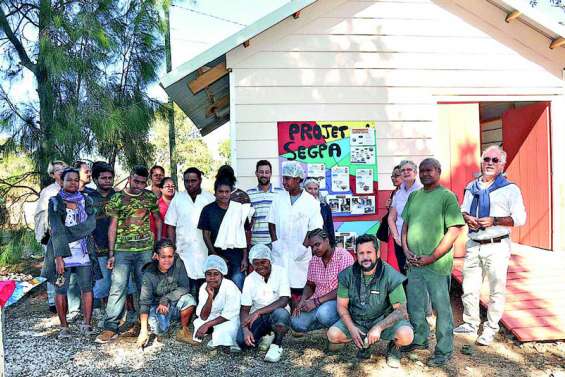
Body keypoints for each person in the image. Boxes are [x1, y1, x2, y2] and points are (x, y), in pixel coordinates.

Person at [454, 146, 526, 346]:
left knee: (496, 289)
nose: (490, 163)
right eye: (487, 159)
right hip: (474, 243)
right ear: (481, 161)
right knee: (469, 287)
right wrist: (467, 218)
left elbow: (520, 219)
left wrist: (494, 220)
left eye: (495, 160)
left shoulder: (509, 189)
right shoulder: (471, 187)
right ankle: (470, 323)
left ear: (502, 165)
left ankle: (491, 328)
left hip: (496, 245)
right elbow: (463, 210)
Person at [401, 158, 465, 367]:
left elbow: (454, 230)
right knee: (416, 305)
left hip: (436, 265)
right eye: (422, 171)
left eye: (429, 170)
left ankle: (444, 350)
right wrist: (406, 250)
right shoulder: (414, 196)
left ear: (438, 171)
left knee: (441, 309)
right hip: (414, 264)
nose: (425, 174)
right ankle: (419, 340)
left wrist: (432, 256)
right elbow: (405, 226)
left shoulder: (447, 197)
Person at [96, 165, 162, 344]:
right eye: (136, 181)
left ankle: (146, 325)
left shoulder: (150, 197)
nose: (139, 185)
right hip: (122, 251)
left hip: (145, 251)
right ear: (129, 179)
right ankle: (111, 327)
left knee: (145, 287)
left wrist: (158, 246)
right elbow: (113, 226)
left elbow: (157, 220)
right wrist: (111, 253)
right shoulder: (117, 198)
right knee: (118, 288)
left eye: (143, 182)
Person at [326, 234, 413, 367]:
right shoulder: (347, 275)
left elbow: (401, 310)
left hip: (383, 320)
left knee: (406, 335)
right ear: (356, 255)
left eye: (369, 252)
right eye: (361, 253)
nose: (365, 257)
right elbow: (342, 306)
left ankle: (394, 347)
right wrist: (351, 328)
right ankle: (364, 344)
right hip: (357, 320)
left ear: (377, 253)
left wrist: (378, 327)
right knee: (333, 335)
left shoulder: (390, 274)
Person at [42, 168, 102, 338]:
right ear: (62, 181)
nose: (73, 183)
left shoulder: (86, 200)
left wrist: (65, 232)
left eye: (76, 179)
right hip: (62, 252)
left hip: (83, 252)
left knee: (87, 287)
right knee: (61, 290)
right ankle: (64, 327)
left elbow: (90, 225)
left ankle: (87, 324)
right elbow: (56, 228)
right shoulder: (55, 201)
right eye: (69, 180)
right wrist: (58, 257)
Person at [267, 161, 323, 307]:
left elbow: (314, 228)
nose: (284, 182)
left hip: (301, 252)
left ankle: (298, 313)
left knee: (300, 284)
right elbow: (271, 223)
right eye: (283, 178)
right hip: (280, 250)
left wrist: (303, 248)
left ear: (298, 179)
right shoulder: (278, 198)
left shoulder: (311, 202)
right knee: (282, 286)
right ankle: (284, 316)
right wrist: (275, 243)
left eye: (288, 178)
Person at [35, 160, 79, 314]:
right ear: (52, 174)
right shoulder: (48, 191)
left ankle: (71, 301)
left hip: (72, 237)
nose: (61, 172)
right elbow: (42, 215)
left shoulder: (74, 190)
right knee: (54, 267)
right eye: (57, 170)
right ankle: (54, 300)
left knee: (71, 267)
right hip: (53, 236)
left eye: (64, 169)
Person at [291, 228, 353, 334]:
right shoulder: (314, 260)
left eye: (317, 244)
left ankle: (341, 329)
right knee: (296, 322)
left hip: (339, 302)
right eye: (312, 247)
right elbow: (310, 285)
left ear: (327, 240)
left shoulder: (343, 256)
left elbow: (344, 288)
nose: (315, 249)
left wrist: (316, 302)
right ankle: (327, 326)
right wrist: (303, 301)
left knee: (324, 313)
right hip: (319, 302)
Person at [136, 239, 197, 347]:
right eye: (163, 257)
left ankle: (184, 330)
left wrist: (166, 298)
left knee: (189, 300)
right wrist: (143, 331)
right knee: (161, 329)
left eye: (170, 256)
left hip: (172, 301)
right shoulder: (149, 273)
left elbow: (185, 287)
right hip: (156, 305)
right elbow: (144, 302)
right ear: (157, 256)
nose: (167, 260)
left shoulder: (178, 263)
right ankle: (147, 323)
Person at [236, 244, 291, 363]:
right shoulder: (249, 279)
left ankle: (277, 345)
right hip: (258, 318)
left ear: (270, 260)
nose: (260, 266)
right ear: (251, 263)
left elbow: (284, 300)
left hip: (275, 313)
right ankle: (268, 333)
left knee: (282, 314)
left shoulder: (281, 272)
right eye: (256, 263)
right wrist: (245, 330)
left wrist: (258, 312)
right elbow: (245, 309)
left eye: (263, 262)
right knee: (242, 342)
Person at [165, 167, 215, 297]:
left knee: (205, 282)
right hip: (183, 249)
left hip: (205, 248)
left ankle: (203, 311)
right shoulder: (178, 199)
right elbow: (171, 224)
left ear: (200, 180)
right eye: (187, 181)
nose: (190, 184)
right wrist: (172, 246)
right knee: (186, 284)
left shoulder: (209, 198)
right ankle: (189, 312)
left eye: (193, 180)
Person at [198, 178, 248, 290]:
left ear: (231, 193)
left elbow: (244, 234)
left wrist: (245, 257)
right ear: (215, 193)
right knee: (217, 288)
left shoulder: (238, 209)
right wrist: (215, 255)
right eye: (220, 192)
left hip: (237, 256)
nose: (224, 195)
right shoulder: (208, 210)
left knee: (237, 284)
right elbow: (206, 235)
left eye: (227, 192)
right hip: (216, 255)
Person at [193, 255, 241, 350]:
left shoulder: (230, 287)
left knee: (224, 331)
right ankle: (212, 332)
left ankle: (220, 337)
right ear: (205, 275)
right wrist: (210, 297)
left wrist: (207, 325)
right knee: (198, 324)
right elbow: (203, 316)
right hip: (213, 316)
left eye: (216, 274)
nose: (212, 278)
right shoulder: (204, 287)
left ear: (222, 275)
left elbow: (229, 314)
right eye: (209, 274)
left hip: (229, 317)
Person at [89, 162, 117, 323]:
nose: (107, 181)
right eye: (103, 178)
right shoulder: (89, 200)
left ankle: (128, 313)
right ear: (95, 179)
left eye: (110, 178)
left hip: (119, 249)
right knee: (102, 284)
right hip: (98, 247)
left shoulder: (119, 197)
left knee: (123, 283)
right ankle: (106, 315)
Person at [387, 160, 422, 275]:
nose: (406, 172)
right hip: (400, 242)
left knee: (418, 273)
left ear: (415, 172)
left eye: (409, 170)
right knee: (404, 272)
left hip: (418, 240)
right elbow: (391, 217)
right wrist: (396, 237)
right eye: (403, 170)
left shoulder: (422, 190)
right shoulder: (398, 193)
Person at [246, 160, 283, 246]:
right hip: (256, 242)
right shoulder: (248, 194)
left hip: (276, 241)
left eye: (267, 172)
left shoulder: (280, 193)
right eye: (261, 172)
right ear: (256, 173)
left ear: (270, 174)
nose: (264, 175)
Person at [303, 178, 336, 247]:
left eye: (315, 189)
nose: (313, 191)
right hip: (305, 243)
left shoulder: (324, 205)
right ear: (304, 189)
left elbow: (329, 226)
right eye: (310, 188)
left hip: (321, 243)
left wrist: (332, 244)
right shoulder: (299, 205)